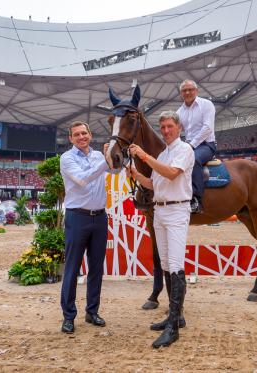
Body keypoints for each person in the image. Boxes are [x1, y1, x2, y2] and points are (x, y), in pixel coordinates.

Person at [128, 110, 194, 348]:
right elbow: (153, 183)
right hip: (161, 209)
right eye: (163, 127)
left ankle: (174, 328)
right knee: (166, 265)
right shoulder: (164, 153)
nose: (165, 131)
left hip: (177, 210)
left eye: (169, 126)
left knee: (176, 266)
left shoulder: (184, 150)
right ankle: (173, 316)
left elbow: (172, 173)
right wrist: (135, 173)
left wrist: (144, 157)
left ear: (178, 128)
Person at [59, 121, 116, 334]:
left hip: (99, 218)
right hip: (77, 218)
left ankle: (92, 312)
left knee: (96, 269)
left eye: (84, 133)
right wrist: (105, 161)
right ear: (71, 139)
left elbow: (117, 172)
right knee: (72, 268)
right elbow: (82, 179)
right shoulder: (67, 158)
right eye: (77, 134)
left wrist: (114, 154)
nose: (81, 137)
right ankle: (68, 316)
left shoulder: (99, 156)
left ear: (90, 135)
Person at [176, 79, 216, 214]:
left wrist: (191, 145)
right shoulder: (179, 112)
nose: (187, 92)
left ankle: (197, 200)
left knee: (194, 159)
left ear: (196, 91)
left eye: (190, 89)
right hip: (188, 145)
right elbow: (176, 131)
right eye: (184, 90)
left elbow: (207, 128)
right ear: (181, 93)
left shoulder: (206, 105)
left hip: (206, 144)